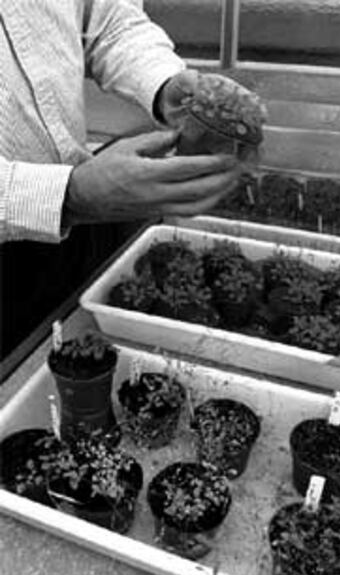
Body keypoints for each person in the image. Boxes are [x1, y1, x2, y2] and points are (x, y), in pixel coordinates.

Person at [0, 1, 243, 358]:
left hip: (72, 228)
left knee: (74, 364)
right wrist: (68, 194)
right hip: (59, 205)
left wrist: (164, 82)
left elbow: (106, 18)